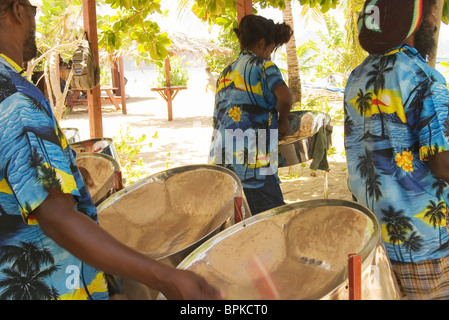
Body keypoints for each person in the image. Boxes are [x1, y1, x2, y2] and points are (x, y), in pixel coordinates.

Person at [0, 0, 221, 300]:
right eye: (33, 9)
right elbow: (55, 216)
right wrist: (165, 276)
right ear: (17, 11)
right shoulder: (15, 99)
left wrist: (65, 168)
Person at [345, 0, 449, 299]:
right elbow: (442, 164)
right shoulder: (425, 78)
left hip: (372, 235)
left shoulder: (357, 77)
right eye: (431, 16)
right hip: (422, 241)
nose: (435, 23)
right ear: (416, 22)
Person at [208, 15, 293, 215]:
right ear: (262, 43)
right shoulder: (263, 66)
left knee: (243, 228)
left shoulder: (225, 73)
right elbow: (285, 97)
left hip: (223, 167)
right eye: (271, 50)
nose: (270, 56)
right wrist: (283, 120)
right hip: (254, 166)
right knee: (272, 224)